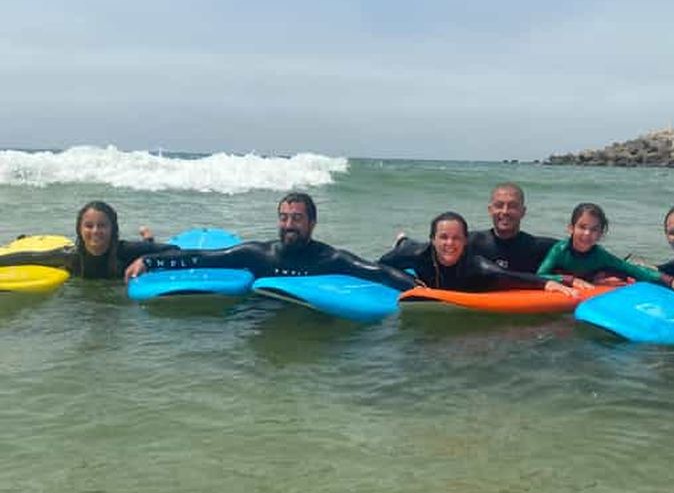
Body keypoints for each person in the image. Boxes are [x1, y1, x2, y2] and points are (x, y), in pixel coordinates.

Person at [125, 192, 416, 291]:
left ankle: (402, 244)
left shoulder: (329, 259)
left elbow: (376, 272)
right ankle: (148, 241)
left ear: (312, 224)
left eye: (297, 219)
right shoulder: (258, 254)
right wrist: (149, 260)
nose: (288, 225)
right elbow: (204, 258)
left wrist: (422, 291)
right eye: (284, 218)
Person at [379, 211, 576, 294]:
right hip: (410, 248)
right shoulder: (415, 254)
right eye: (444, 237)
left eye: (457, 238)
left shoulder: (476, 265)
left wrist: (549, 283)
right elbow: (381, 265)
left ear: (466, 241)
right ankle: (402, 239)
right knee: (405, 245)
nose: (450, 243)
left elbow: (509, 276)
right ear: (432, 239)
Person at [0, 200, 169, 279]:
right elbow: (29, 257)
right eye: (89, 226)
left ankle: (147, 237)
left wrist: (146, 261)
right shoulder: (70, 256)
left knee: (147, 246)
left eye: (102, 225)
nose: (95, 231)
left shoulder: (125, 251)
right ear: (79, 229)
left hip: (138, 251)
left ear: (113, 229)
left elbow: (174, 250)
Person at [536, 202, 674, 289]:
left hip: (597, 275)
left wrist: (669, 280)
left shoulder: (600, 255)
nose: (587, 233)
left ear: (600, 234)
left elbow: (632, 269)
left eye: (594, 229)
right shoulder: (560, 250)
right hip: (575, 278)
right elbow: (540, 275)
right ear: (571, 228)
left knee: (626, 273)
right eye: (582, 227)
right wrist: (570, 280)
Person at [468, 182, 558, 272]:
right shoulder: (471, 243)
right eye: (499, 205)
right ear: (490, 210)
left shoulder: (540, 248)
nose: (505, 211)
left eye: (512, 206)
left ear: (523, 211)